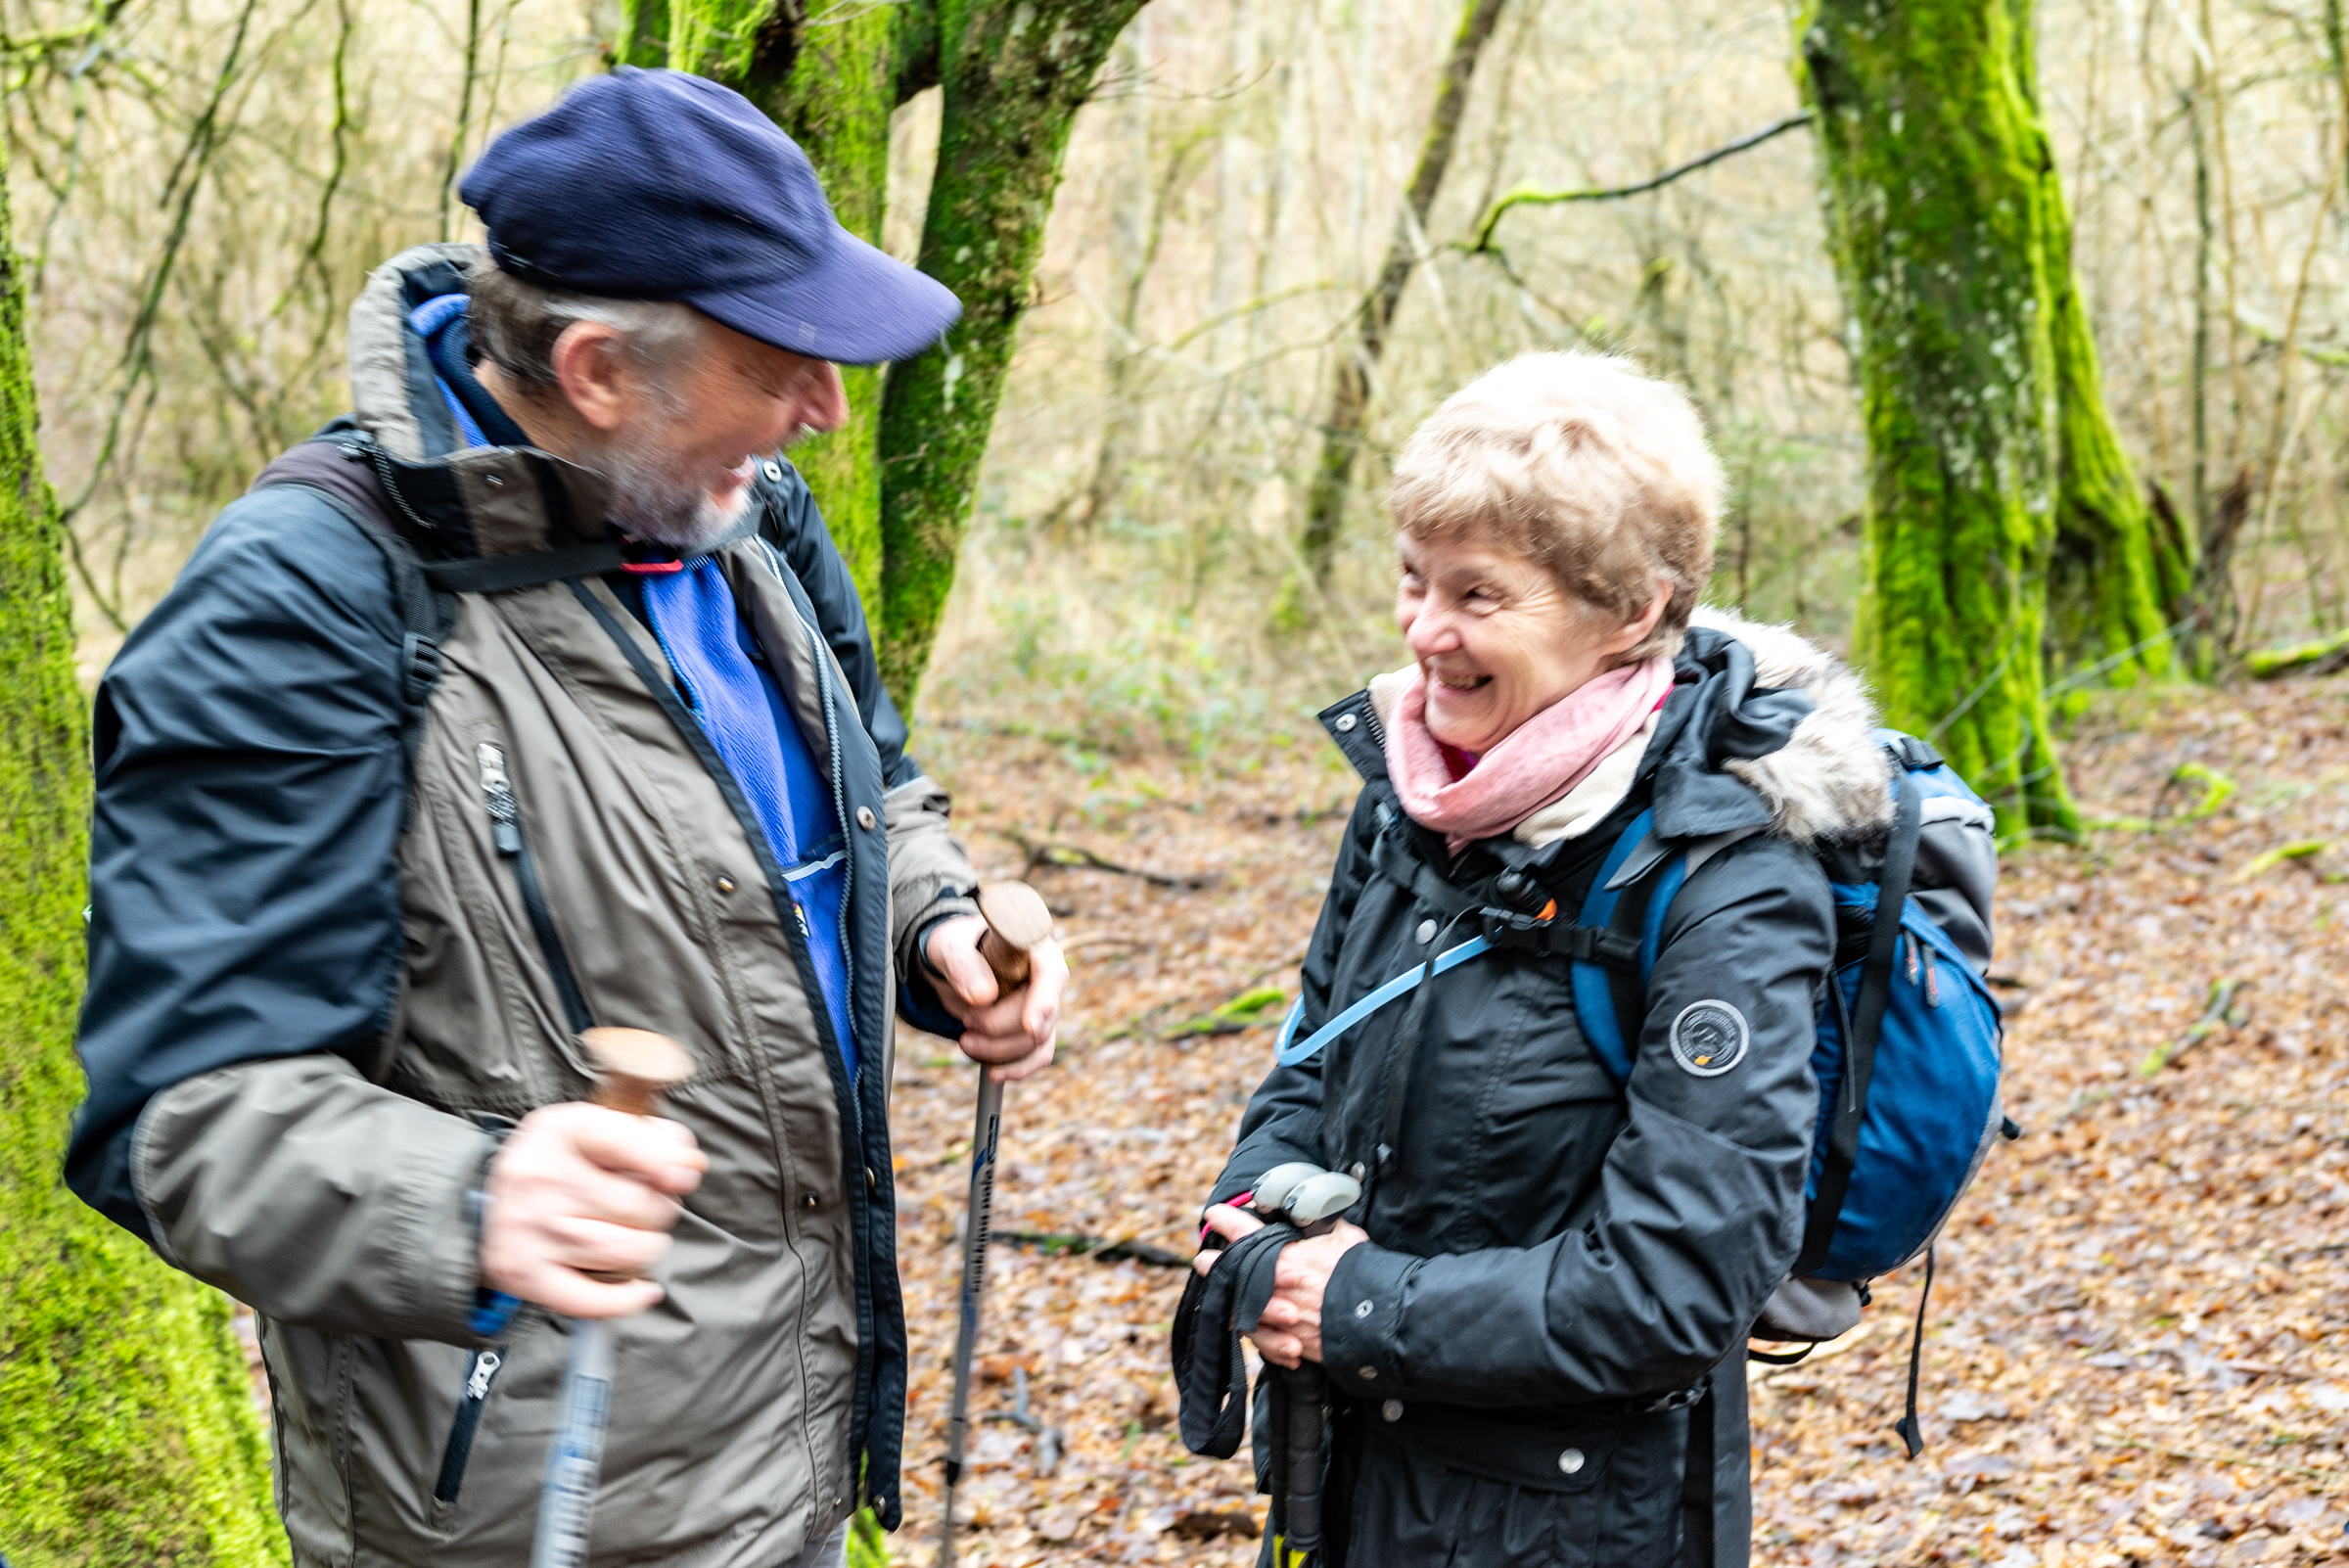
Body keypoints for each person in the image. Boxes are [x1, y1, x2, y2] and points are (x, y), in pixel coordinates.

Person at [64, 68, 1063, 1568]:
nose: (825, 409)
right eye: (782, 363)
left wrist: (936, 915)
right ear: (597, 370)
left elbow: (870, 788)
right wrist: (471, 1200)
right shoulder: (306, 605)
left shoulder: (742, 514)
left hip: (792, 1453)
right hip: (527, 1509)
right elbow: (178, 1120)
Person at [1192, 351, 1904, 1565]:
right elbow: (1310, 1066)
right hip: (1339, 1478)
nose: (1425, 631)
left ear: (1629, 612)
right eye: (1413, 578)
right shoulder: (1412, 800)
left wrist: (1352, 1305)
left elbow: (1675, 1287)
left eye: (1479, 595)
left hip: (1571, 1524)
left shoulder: (1726, 875)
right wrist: (1259, 1227)